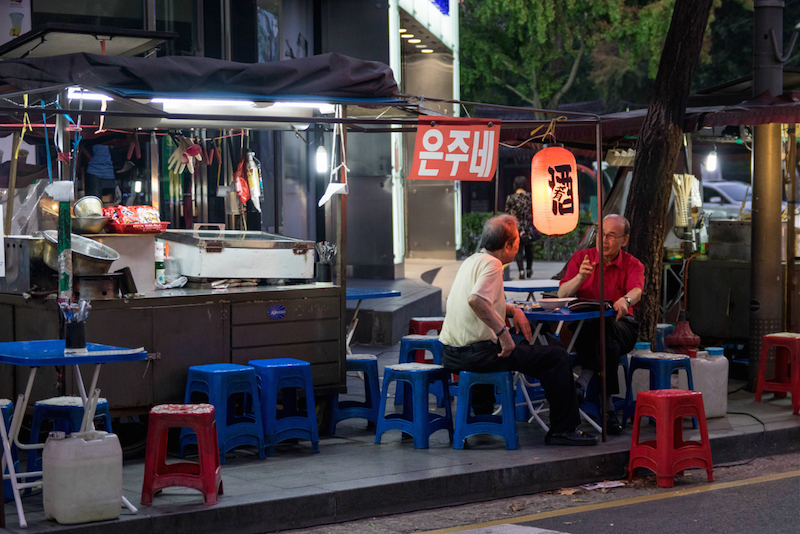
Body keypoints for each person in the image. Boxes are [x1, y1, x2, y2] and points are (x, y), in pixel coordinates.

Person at [439, 214, 598, 446]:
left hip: (452, 353)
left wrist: (514, 311)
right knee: (557, 357)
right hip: (477, 355)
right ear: (507, 245)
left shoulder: (472, 260)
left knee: (546, 345)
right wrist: (504, 334)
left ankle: (483, 412)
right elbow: (476, 300)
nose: (519, 245)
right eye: (517, 240)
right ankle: (563, 428)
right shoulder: (493, 265)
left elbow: (483, 300)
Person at [557, 214, 644, 435]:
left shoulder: (632, 264)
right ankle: (608, 410)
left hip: (622, 326)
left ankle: (582, 383)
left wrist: (625, 301)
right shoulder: (582, 258)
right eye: (601, 234)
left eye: (612, 236)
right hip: (586, 329)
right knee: (608, 345)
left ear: (624, 240)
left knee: (605, 327)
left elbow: (636, 291)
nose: (604, 240)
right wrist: (579, 277)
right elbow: (562, 294)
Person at [504, 175, 539, 279]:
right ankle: (529, 269)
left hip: (516, 227)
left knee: (518, 249)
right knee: (529, 248)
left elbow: (507, 213)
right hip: (529, 227)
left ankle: (521, 271)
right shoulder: (531, 196)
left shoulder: (510, 198)